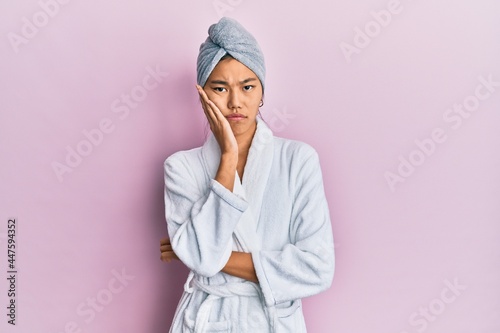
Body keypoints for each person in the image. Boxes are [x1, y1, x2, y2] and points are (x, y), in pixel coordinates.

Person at [160, 17, 335, 333]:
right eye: (220, 87)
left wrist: (197, 252)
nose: (235, 102)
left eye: (247, 86)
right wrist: (227, 158)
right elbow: (201, 258)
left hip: (271, 320)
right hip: (207, 318)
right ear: (202, 95)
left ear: (262, 92)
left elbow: (318, 268)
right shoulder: (180, 168)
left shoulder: (297, 160)